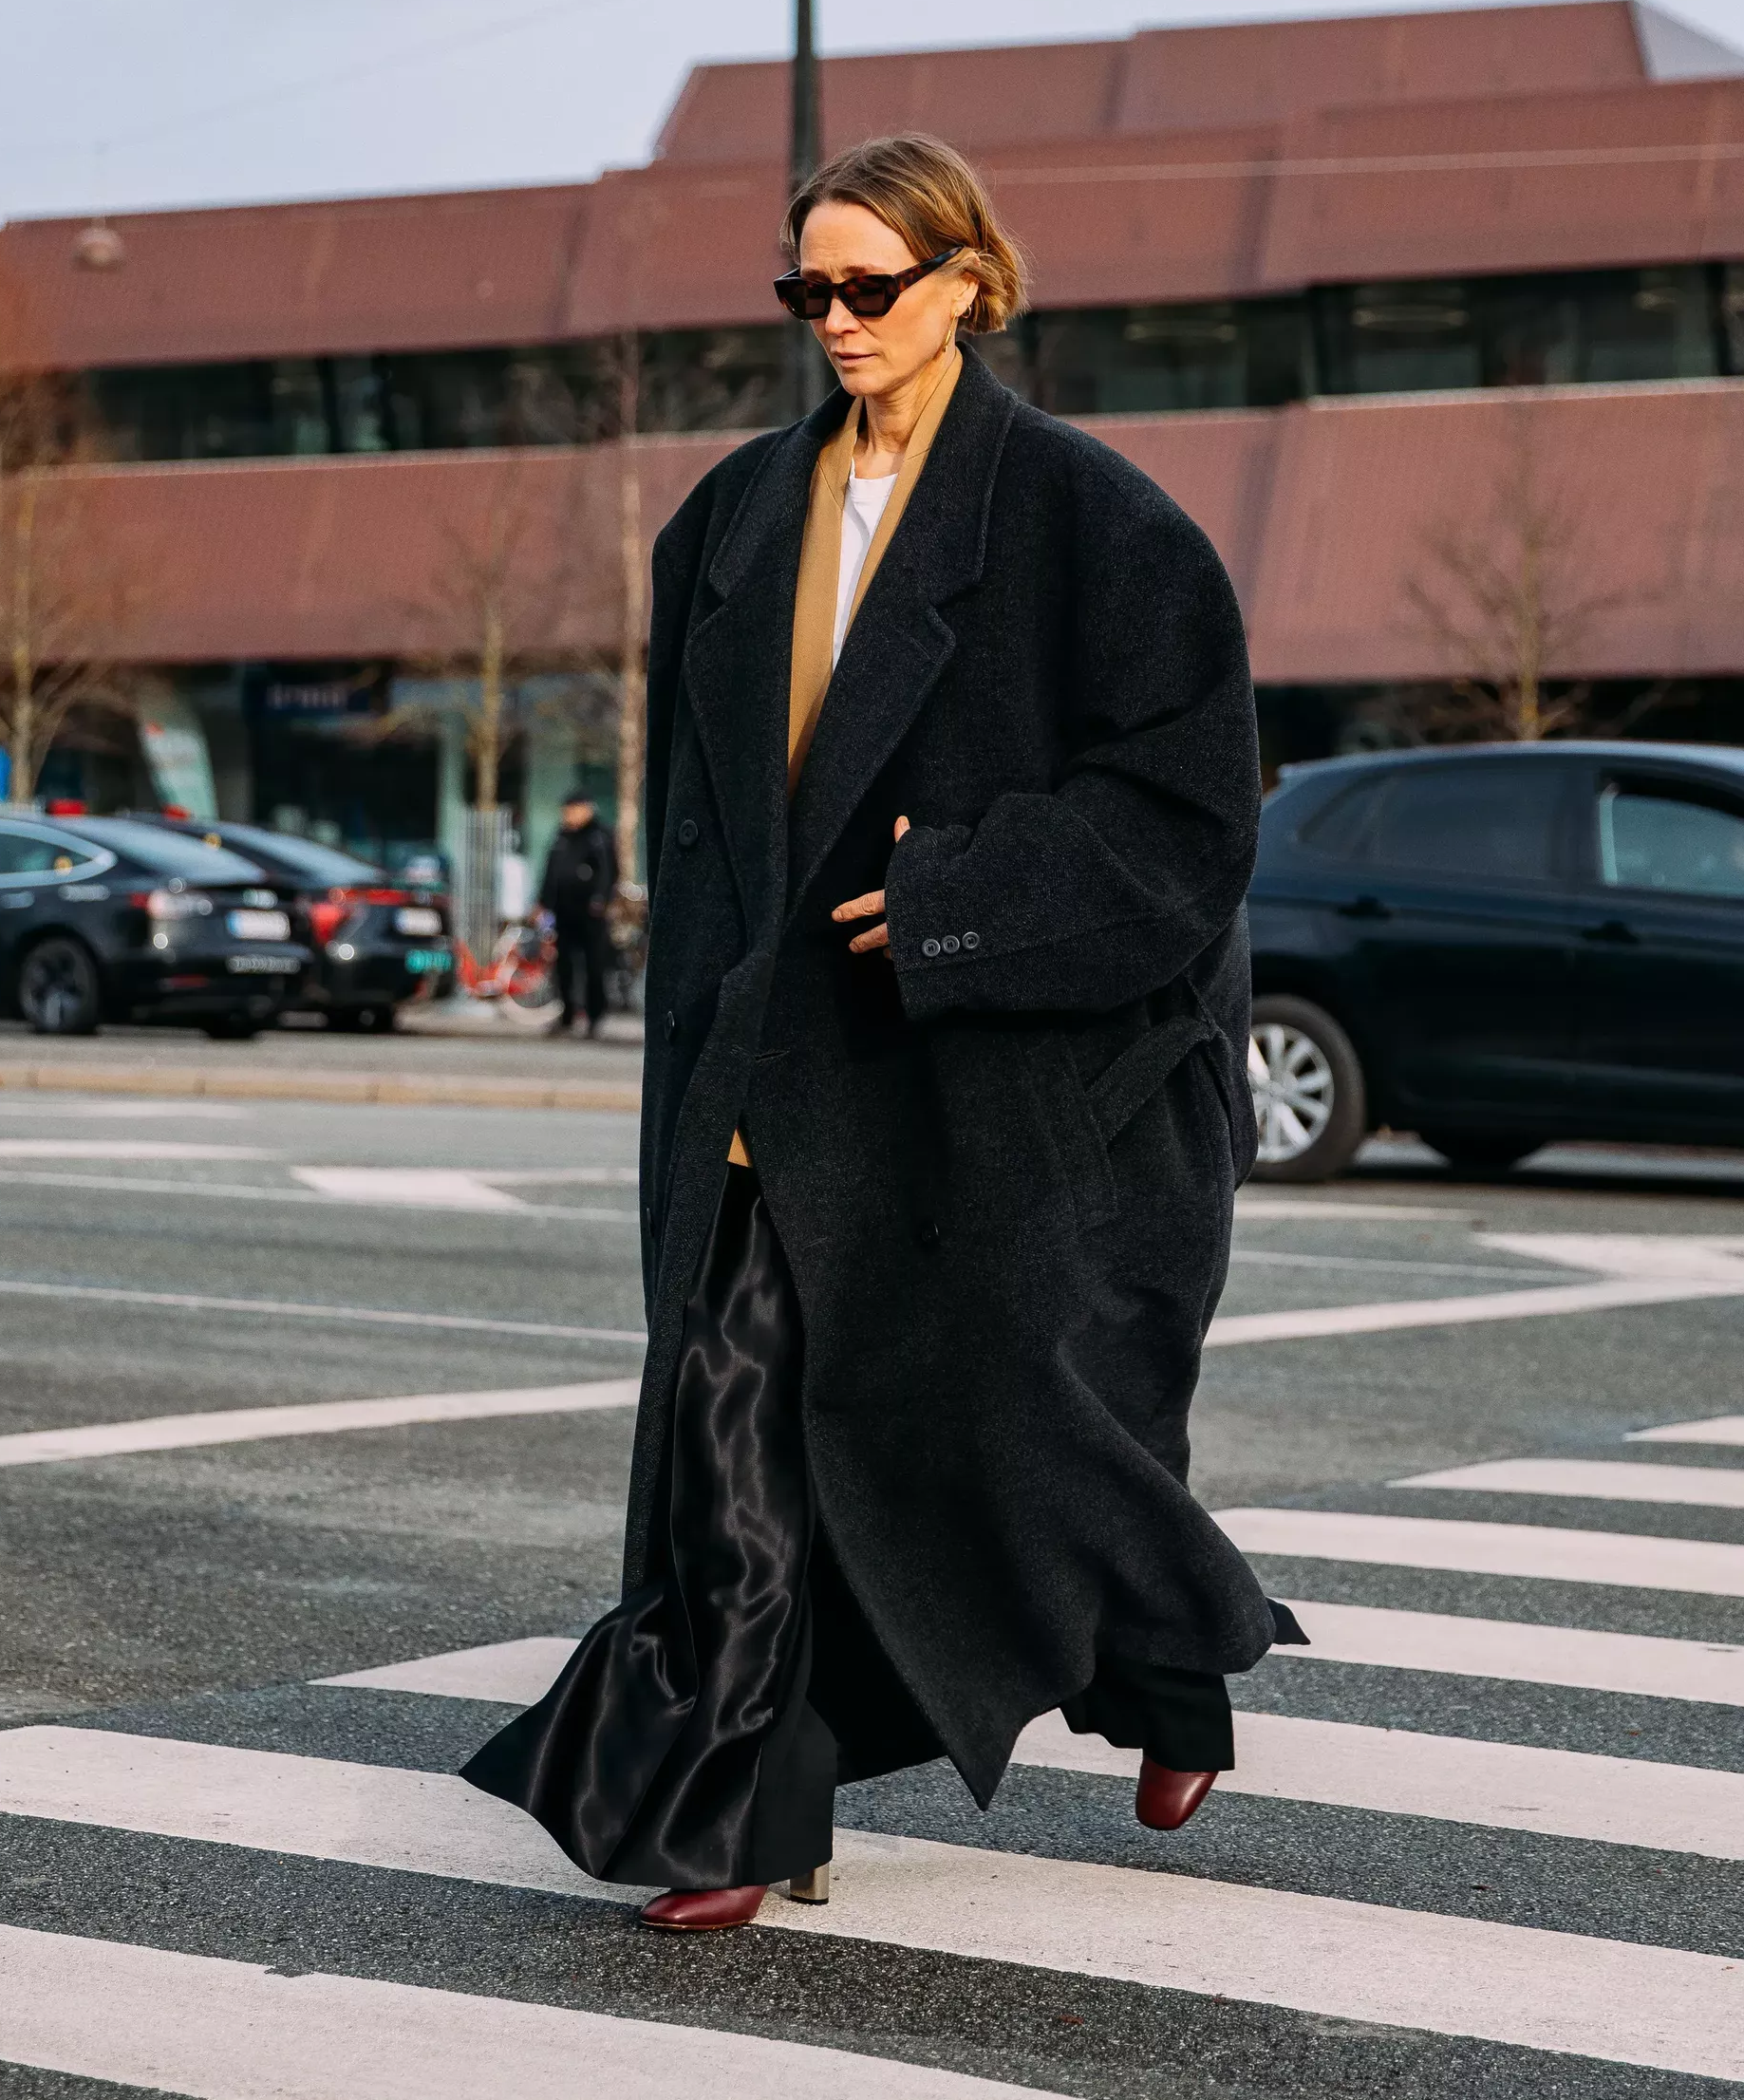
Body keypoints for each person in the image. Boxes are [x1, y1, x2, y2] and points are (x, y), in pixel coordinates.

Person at [462, 133, 1299, 1929]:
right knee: (732, 1434)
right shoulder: (728, 522)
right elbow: (704, 843)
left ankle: (1158, 1659)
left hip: (980, 1086)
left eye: (872, 285)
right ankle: (735, 1809)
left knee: (1015, 1421)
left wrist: (960, 900)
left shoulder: (1094, 520)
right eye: (808, 290)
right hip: (765, 1078)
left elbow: (1190, 820)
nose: (836, 321)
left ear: (970, 285)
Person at [540, 793, 615, 1038]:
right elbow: (551, 872)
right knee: (563, 967)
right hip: (564, 910)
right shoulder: (562, 836)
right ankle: (567, 1015)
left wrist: (600, 899)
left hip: (591, 913)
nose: (568, 816)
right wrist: (542, 902)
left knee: (594, 965)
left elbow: (608, 871)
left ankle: (594, 1017)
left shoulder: (599, 837)